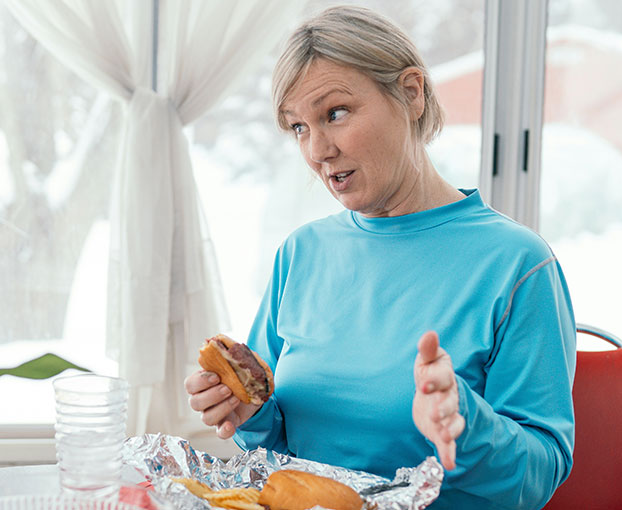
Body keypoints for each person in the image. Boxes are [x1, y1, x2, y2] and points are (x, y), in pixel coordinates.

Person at [185, 6, 576, 509]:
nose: (318, 149)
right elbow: (277, 457)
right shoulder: (301, 254)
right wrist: (248, 415)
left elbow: (540, 475)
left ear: (411, 93)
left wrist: (468, 426)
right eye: (299, 127)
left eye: (335, 113)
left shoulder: (517, 265)